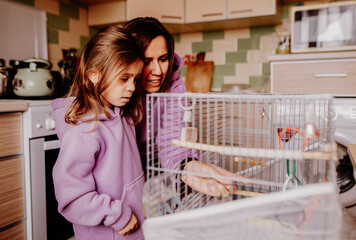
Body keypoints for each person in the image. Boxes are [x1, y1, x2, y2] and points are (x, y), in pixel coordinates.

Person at [124, 17, 243, 197]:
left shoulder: (174, 85)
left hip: (159, 161)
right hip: (125, 164)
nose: (157, 71)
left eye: (163, 59)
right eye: (147, 61)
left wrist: (187, 167)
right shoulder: (118, 89)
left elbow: (173, 137)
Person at [51, 25, 145, 240]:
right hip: (109, 232)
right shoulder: (85, 130)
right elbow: (72, 198)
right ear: (94, 75)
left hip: (133, 229)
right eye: (124, 78)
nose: (132, 87)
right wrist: (117, 214)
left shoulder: (122, 114)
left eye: (135, 79)